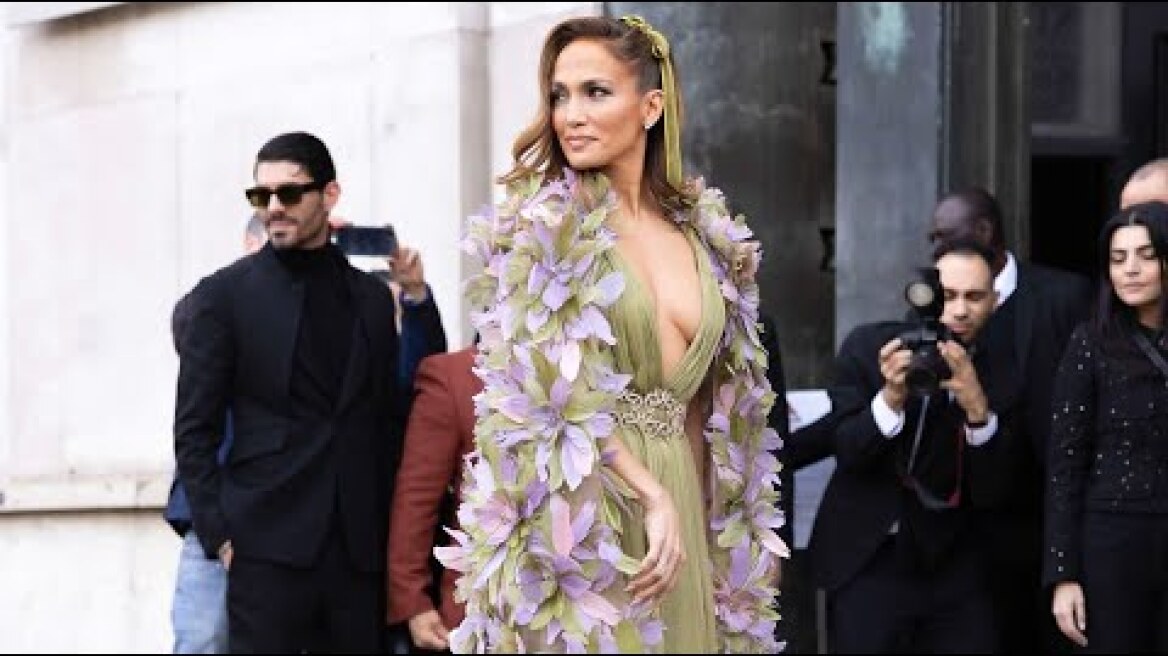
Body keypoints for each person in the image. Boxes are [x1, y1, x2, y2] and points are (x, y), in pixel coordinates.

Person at [435, 15, 783, 654]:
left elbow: (716, 410)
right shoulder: (544, 233)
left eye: (596, 92)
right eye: (560, 95)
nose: (571, 113)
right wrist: (651, 495)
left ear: (650, 107)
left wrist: (734, 544)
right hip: (582, 506)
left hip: (681, 515)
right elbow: (546, 400)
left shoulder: (708, 241)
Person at [173, 131, 444, 653]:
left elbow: (390, 417)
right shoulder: (222, 297)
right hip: (264, 548)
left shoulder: (369, 298)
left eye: (290, 194)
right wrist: (220, 536)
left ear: (330, 195)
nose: (274, 208)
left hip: (355, 554)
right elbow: (194, 429)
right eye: (261, 196)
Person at [809, 240, 1014, 653]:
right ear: (925, 293)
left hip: (955, 564)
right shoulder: (871, 349)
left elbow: (999, 490)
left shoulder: (1004, 367)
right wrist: (890, 398)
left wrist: (977, 408)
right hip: (869, 554)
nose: (959, 310)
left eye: (974, 297)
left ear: (995, 300)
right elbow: (848, 451)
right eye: (948, 295)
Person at [927, 187, 1092, 653]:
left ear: (983, 232)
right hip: (980, 524)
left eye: (943, 233)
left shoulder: (1065, 296)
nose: (935, 244)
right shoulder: (936, 305)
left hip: (1053, 509)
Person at [1045, 201, 1168, 653]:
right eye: (1118, 259)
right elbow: (1065, 463)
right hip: (1113, 537)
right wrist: (1063, 573)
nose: (1130, 270)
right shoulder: (1090, 343)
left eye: (1146, 256)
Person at [165, 213, 266, 654]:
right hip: (212, 515)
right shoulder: (216, 301)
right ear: (249, 243)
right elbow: (187, 326)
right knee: (202, 640)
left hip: (284, 516)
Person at [387, 344, 481, 653]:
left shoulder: (591, 376)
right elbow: (416, 497)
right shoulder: (455, 376)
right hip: (480, 608)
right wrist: (412, 600)